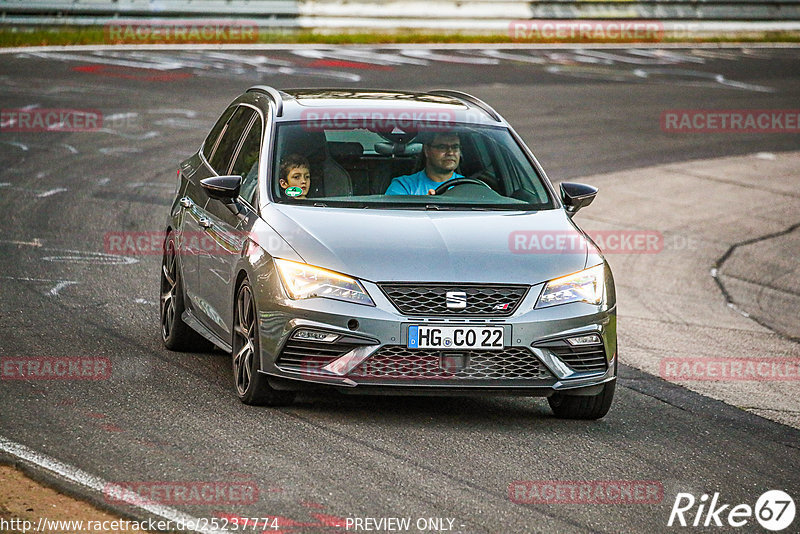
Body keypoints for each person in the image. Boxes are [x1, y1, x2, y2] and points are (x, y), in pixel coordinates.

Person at [385, 132, 464, 195]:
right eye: (442, 147)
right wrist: (423, 204)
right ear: (426, 150)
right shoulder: (403, 186)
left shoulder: (468, 186)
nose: (450, 152)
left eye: (455, 147)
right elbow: (393, 214)